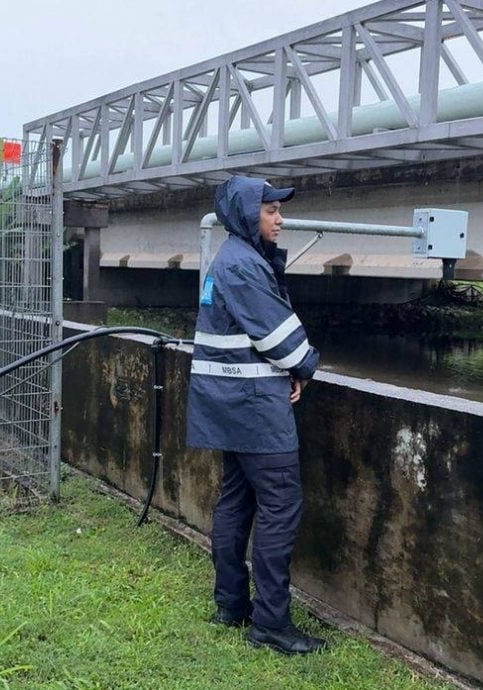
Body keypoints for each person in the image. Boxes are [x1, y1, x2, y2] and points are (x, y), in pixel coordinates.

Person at [186, 175, 326, 655]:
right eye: (271, 210)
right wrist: (306, 366)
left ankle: (231, 604)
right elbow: (279, 336)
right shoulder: (244, 265)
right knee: (281, 506)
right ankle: (270, 624)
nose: (280, 219)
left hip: (228, 405)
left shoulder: (230, 259)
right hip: (253, 408)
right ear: (248, 214)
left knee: (236, 501)